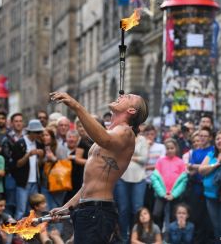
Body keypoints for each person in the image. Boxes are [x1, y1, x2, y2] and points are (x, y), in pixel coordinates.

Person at [49, 91, 148, 244]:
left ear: (131, 111)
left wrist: (76, 106)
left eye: (127, 97)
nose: (121, 96)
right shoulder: (112, 132)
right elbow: (89, 184)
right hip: (89, 209)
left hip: (97, 211)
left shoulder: (126, 132)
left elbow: (104, 139)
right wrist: (67, 207)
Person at [114, 128, 149, 242]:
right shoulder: (120, 139)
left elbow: (144, 159)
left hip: (139, 179)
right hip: (122, 178)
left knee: (137, 209)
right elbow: (116, 157)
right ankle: (124, 237)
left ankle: (135, 237)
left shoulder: (143, 140)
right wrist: (134, 157)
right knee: (123, 209)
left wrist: (128, 156)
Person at [151, 138, 187, 230]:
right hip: (161, 194)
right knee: (156, 214)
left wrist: (174, 194)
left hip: (174, 195)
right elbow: (155, 178)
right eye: (167, 148)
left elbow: (183, 181)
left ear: (176, 149)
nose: (170, 150)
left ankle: (171, 237)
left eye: (172, 148)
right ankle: (158, 235)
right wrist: (162, 193)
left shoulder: (180, 162)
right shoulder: (160, 161)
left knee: (173, 216)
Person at [11, 119, 45, 220]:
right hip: (23, 182)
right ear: (31, 132)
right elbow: (17, 164)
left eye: (40, 132)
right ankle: (17, 233)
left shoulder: (39, 144)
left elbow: (39, 165)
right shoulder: (20, 143)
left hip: (35, 181)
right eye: (37, 132)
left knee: (32, 210)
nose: (39, 135)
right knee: (21, 210)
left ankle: (28, 233)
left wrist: (41, 157)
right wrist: (28, 155)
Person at [143, 125, 166, 213]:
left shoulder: (161, 147)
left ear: (155, 135)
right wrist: (147, 148)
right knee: (145, 206)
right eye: (147, 134)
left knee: (156, 210)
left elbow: (161, 164)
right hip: (144, 181)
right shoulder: (141, 147)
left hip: (157, 181)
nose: (150, 136)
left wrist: (145, 167)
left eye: (152, 134)